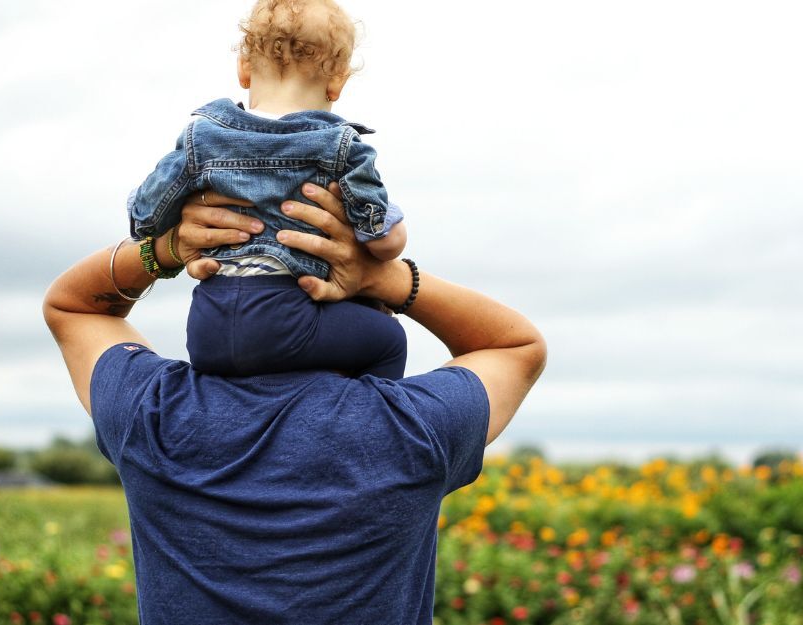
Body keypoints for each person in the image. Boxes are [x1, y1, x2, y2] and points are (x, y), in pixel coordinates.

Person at [43, 183, 546, 624]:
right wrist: (385, 276)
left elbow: (73, 306)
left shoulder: (154, 414)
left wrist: (166, 248)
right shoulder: (414, 428)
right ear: (365, 314)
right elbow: (515, 347)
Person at [129, 0, 409, 379]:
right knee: (389, 338)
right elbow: (381, 241)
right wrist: (394, 227)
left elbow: (144, 218)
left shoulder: (202, 136)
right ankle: (368, 427)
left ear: (243, 68)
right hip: (289, 318)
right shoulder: (341, 146)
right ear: (338, 80)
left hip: (207, 327)